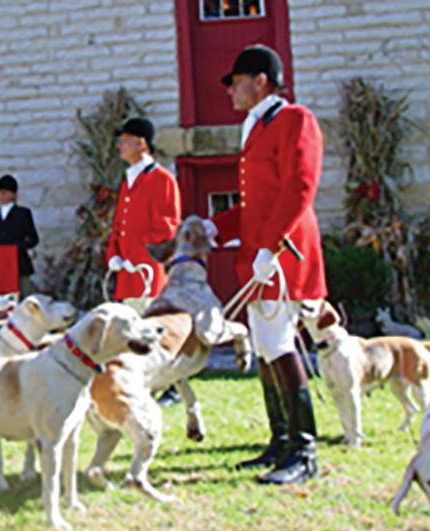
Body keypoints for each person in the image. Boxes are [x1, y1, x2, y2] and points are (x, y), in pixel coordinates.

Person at [209, 44, 327, 485]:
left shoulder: (295, 119)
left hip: (283, 253)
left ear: (261, 81)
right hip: (260, 255)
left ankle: (304, 451)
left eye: (236, 82)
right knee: (263, 346)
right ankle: (280, 441)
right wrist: (215, 225)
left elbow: (300, 188)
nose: (230, 91)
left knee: (279, 343)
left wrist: (271, 246)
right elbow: (256, 202)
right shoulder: (256, 126)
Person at [105, 117, 181, 302]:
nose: (120, 146)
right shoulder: (127, 183)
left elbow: (167, 228)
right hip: (126, 273)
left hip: (148, 271)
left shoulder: (162, 179)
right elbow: (118, 225)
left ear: (141, 144)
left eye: (125, 141)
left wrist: (137, 256)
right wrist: (113, 255)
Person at [0, 174, 39, 297]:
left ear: (13, 194)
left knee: (24, 300)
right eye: (0, 192)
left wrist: (16, 246)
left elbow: (33, 239)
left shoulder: (23, 213)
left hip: (20, 265)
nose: (2, 195)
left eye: (5, 192)